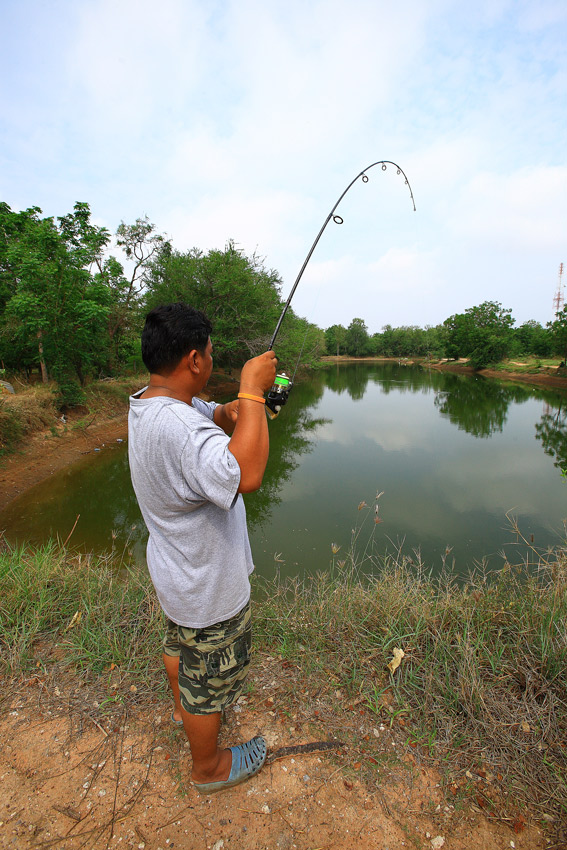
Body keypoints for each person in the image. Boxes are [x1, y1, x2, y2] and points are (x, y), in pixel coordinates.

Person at [128, 303, 277, 794]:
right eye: (210, 354)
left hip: (177, 574)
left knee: (180, 647)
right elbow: (247, 474)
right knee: (209, 680)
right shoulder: (181, 431)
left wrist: (235, 412)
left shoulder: (153, 401)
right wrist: (252, 390)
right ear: (194, 359)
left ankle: (181, 707)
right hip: (208, 586)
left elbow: (210, 415)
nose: (212, 361)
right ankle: (208, 767)